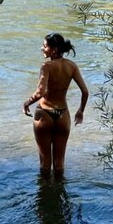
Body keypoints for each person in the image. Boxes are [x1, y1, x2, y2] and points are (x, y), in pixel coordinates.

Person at [23, 33, 89, 175]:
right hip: (63, 115)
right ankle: (59, 188)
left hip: (44, 114)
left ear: (54, 50)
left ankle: (45, 188)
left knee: (45, 164)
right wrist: (80, 111)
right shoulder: (72, 66)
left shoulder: (46, 66)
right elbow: (85, 92)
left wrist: (26, 103)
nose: (42, 48)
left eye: (45, 46)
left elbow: (39, 93)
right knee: (59, 164)